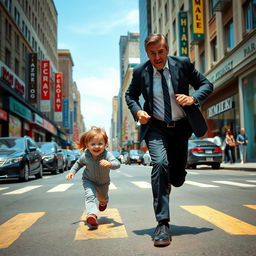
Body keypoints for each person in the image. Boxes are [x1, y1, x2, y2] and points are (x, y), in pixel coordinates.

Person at [125, 34, 213, 247]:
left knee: (177, 178)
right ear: (147, 53)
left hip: (181, 128)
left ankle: (172, 179)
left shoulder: (182, 64)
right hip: (156, 127)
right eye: (152, 53)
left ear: (167, 49)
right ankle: (162, 223)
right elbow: (130, 95)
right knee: (159, 164)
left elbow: (206, 84)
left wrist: (193, 98)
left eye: (161, 52)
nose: (157, 57)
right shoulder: (140, 72)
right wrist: (138, 113)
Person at [65, 126, 120, 228]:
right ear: (87, 145)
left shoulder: (107, 155)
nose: (96, 147)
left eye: (100, 144)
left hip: (103, 182)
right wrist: (72, 172)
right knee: (90, 196)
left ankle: (103, 203)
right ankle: (92, 215)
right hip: (88, 180)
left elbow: (117, 164)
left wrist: (109, 164)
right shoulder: (85, 156)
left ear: (105, 144)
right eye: (93, 144)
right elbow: (78, 163)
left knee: (102, 198)